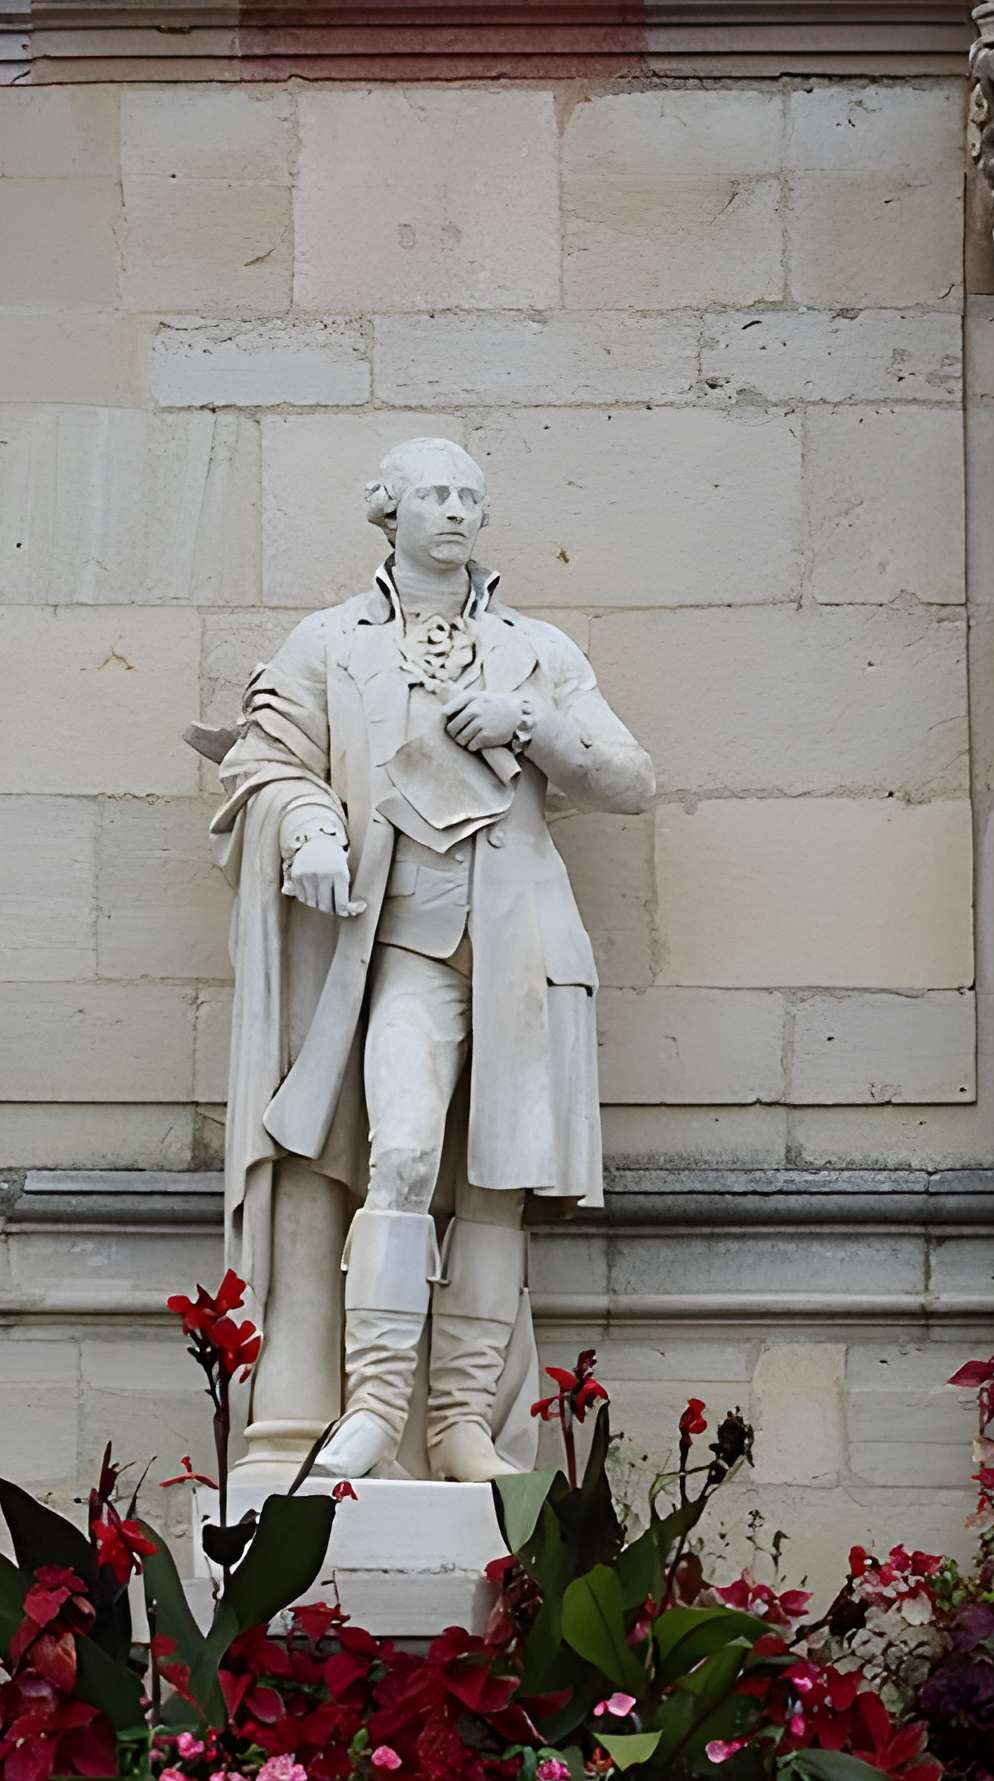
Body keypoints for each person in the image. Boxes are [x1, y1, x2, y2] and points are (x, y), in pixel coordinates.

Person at [190, 437, 654, 1481]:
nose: (453, 511)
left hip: (524, 949)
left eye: (469, 496)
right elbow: (266, 758)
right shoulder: (328, 642)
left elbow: (628, 777)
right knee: (399, 1155)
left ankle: (458, 1425)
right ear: (385, 511)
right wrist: (308, 826)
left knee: (497, 1184)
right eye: (432, 494)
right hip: (402, 945)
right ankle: (375, 1404)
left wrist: (528, 720)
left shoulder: (538, 648)